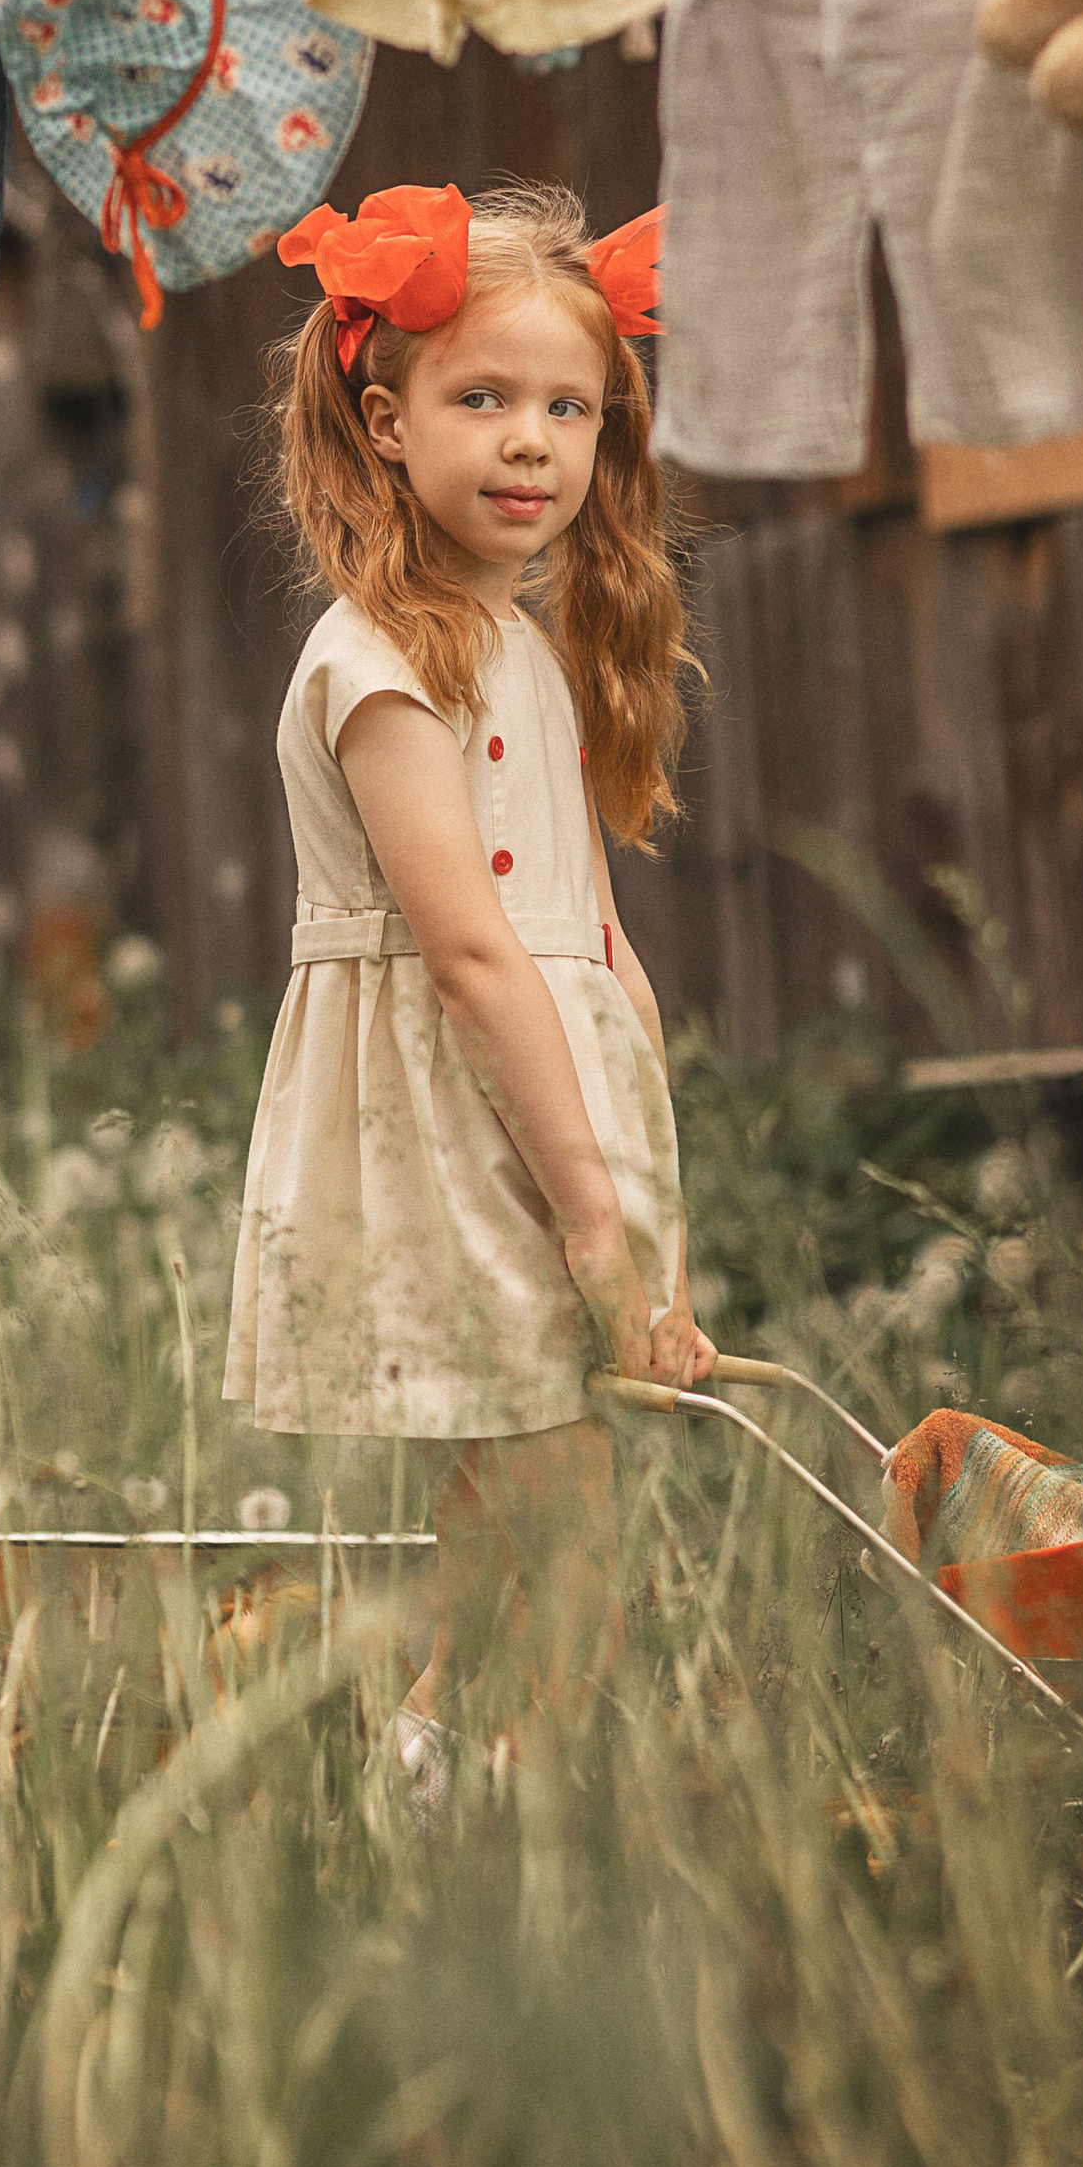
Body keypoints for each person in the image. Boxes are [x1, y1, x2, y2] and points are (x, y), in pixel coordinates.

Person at [224, 176, 715, 1801]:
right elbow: (473, 953)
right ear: (386, 420)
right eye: (482, 398)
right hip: (462, 1116)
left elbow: (599, 950)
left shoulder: (533, 647)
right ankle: (482, 1786)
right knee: (553, 1494)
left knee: (541, 1491)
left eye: (566, 407)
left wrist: (650, 1219)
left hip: (558, 1116)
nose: (529, 443)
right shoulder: (376, 661)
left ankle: (457, 1770)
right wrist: (587, 1209)